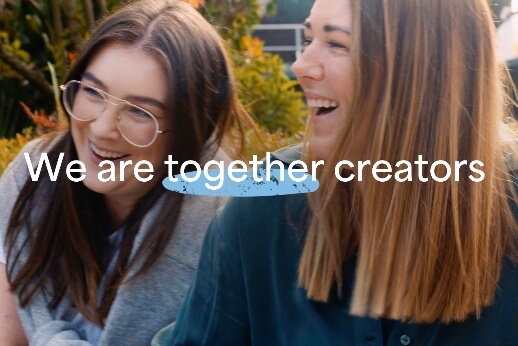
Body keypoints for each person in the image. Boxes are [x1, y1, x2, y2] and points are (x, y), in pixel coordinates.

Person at [159, 0, 518, 344]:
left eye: (336, 43)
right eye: (309, 38)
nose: (302, 65)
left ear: (423, 72)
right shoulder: (265, 208)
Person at [0, 0, 249, 344]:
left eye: (139, 112)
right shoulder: (31, 180)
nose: (102, 129)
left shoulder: (223, 230)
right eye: (92, 91)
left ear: (192, 131)